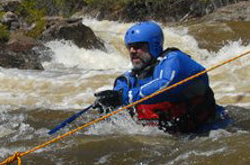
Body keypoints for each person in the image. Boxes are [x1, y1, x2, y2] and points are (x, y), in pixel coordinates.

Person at [93, 21, 225, 134]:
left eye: (138, 46)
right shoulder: (129, 79)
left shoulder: (175, 61)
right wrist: (108, 102)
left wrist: (122, 97)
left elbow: (164, 85)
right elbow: (121, 94)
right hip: (171, 138)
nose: (132, 51)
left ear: (154, 45)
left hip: (213, 129)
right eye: (130, 47)